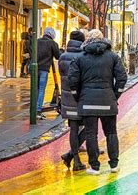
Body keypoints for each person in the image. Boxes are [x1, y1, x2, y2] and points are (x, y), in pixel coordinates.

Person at [68, 29, 127, 175]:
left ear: (87, 40)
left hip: (87, 101)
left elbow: (73, 80)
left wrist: (78, 97)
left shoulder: (80, 58)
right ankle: (114, 164)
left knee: (90, 135)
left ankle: (94, 167)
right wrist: (115, 95)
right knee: (111, 133)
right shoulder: (113, 57)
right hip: (108, 100)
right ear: (103, 39)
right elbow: (122, 78)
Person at [59, 30, 87, 171]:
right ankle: (71, 157)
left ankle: (74, 158)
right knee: (89, 127)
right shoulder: (83, 56)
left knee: (73, 128)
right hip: (81, 97)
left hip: (67, 97)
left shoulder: (63, 56)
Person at [37, 27, 61, 120]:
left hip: (35, 69)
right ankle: (38, 110)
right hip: (44, 69)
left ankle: (34, 108)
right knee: (42, 90)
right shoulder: (53, 43)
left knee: (36, 89)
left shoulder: (37, 41)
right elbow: (58, 56)